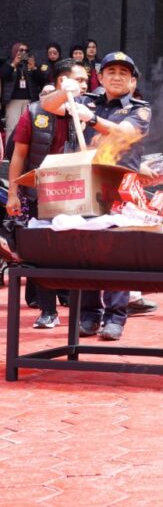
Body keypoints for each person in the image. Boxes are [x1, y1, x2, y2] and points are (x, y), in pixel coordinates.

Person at [42, 51, 152, 342]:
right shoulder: (85, 99)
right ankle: (89, 316)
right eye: (111, 71)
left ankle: (116, 317)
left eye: (123, 73)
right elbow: (48, 106)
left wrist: (91, 120)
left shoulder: (139, 109)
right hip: (83, 184)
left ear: (132, 81)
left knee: (117, 254)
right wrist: (62, 92)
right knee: (86, 251)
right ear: (100, 77)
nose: (117, 77)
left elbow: (122, 134)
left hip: (119, 186)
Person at [7, 60, 90, 328]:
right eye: (80, 80)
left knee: (74, 252)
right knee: (42, 253)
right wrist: (13, 193)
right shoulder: (33, 113)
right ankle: (47, 310)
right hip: (38, 193)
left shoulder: (85, 111)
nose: (86, 85)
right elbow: (18, 156)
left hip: (75, 194)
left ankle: (78, 311)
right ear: (62, 82)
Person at [2, 41, 38, 138]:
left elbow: (39, 81)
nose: (23, 52)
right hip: (13, 100)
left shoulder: (29, 64)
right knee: (12, 127)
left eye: (26, 50)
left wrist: (34, 68)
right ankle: (10, 152)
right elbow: (4, 75)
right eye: (21, 50)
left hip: (29, 100)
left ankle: (24, 151)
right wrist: (14, 63)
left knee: (27, 128)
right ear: (15, 51)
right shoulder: (8, 63)